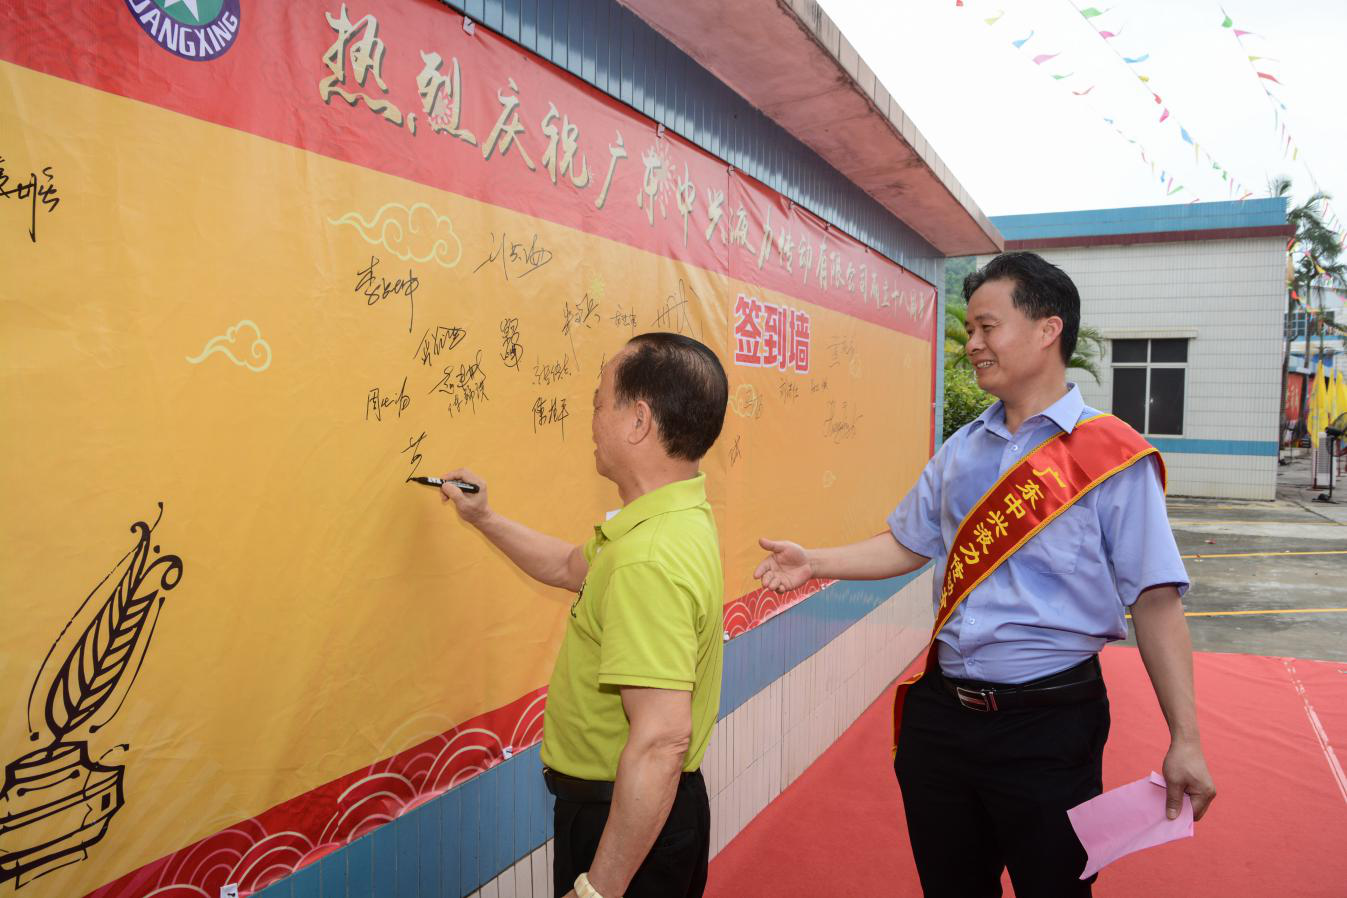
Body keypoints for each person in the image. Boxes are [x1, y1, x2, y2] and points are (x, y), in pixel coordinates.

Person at [754, 252, 1215, 897]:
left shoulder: (1112, 458)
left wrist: (1185, 738)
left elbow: (1157, 601)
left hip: (1049, 724)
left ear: (1048, 330)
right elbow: (907, 544)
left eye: (987, 327)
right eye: (970, 329)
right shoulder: (962, 449)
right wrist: (815, 563)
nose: (971, 343)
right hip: (942, 719)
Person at [440, 332, 728, 898]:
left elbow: (661, 740)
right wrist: (484, 517)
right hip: (641, 813)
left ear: (638, 421)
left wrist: (599, 889)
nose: (591, 420)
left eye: (598, 404)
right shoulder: (670, 518)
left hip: (624, 826)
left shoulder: (646, 558)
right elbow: (568, 566)